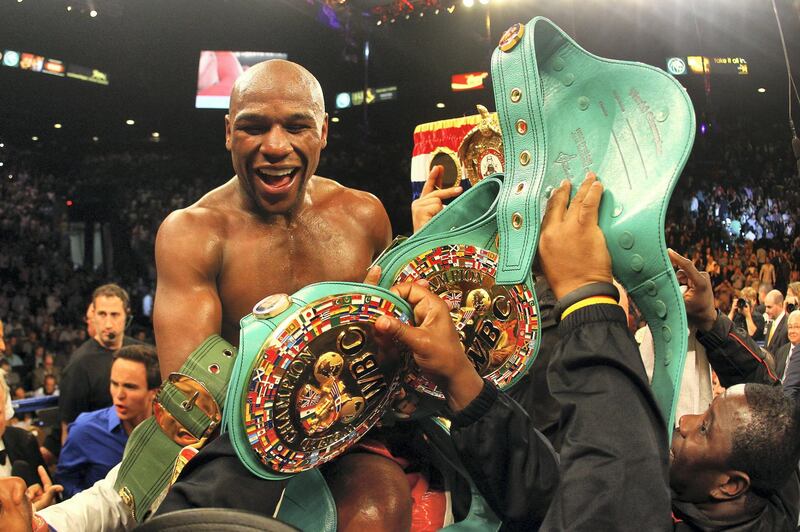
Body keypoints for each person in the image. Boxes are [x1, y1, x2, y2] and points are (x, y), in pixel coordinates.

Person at [153, 59, 416, 530]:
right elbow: (194, 400)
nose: (275, 147)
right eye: (254, 127)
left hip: (346, 429)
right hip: (233, 443)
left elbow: (394, 336)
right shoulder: (193, 233)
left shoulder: (364, 215)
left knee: (380, 507)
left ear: (324, 132)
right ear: (229, 132)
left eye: (297, 126)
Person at [56, 345, 159, 498]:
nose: (119, 394)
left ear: (155, 392)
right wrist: (93, 507)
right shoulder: (85, 430)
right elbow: (64, 483)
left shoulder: (170, 433)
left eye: (130, 387)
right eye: (114, 384)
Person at [59, 284, 143, 443]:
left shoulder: (140, 353)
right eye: (102, 314)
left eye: (115, 315)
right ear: (93, 315)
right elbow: (69, 429)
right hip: (99, 450)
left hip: (141, 443)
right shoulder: (79, 365)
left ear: (127, 315)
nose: (108, 323)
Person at [764, 289, 789, 354]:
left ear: (780, 305)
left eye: (769, 307)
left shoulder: (787, 326)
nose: (766, 311)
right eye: (765, 307)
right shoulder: (770, 322)